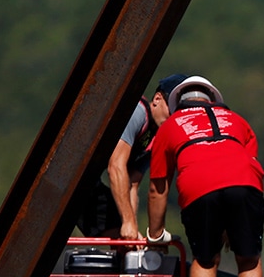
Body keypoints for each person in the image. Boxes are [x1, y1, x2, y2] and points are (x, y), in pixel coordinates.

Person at [147, 75, 264, 277]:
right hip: (245, 183)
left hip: (198, 187)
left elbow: (157, 188)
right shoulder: (237, 120)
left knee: (205, 260)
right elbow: (250, 163)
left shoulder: (170, 125)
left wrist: (156, 236)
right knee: (249, 259)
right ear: (212, 99)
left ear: (177, 103)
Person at [75, 73, 187, 239]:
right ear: (157, 99)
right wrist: (127, 222)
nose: (174, 117)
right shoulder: (138, 112)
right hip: (73, 170)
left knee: (125, 239)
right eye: (172, 108)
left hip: (89, 181)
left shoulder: (157, 138)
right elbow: (116, 167)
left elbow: (132, 184)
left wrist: (131, 226)